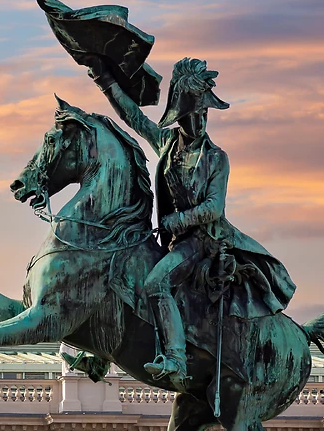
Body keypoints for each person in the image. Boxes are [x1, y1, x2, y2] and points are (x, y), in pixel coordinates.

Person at [86, 55, 295, 390]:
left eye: (204, 112)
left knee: (155, 284)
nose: (201, 119)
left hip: (204, 242)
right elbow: (134, 117)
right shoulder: (168, 144)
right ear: (180, 114)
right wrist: (104, 79)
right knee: (119, 268)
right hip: (173, 241)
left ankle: (175, 358)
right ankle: (100, 350)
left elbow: (213, 207)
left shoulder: (216, 158)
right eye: (195, 112)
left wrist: (176, 221)